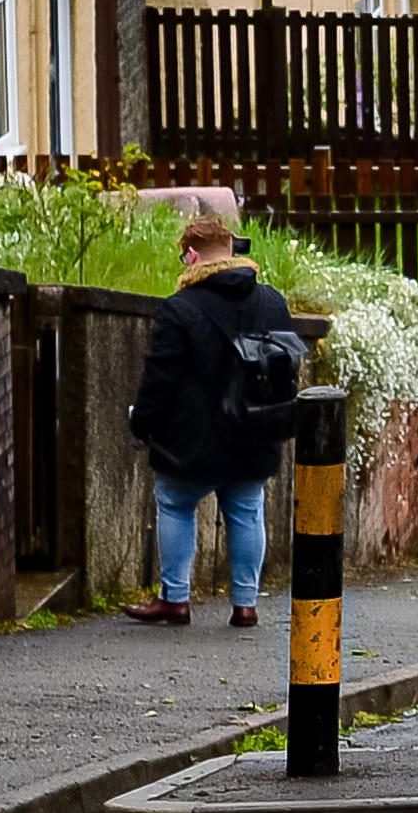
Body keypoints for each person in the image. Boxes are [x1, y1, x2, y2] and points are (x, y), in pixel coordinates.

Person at [124, 210, 294, 628]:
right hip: (254, 430)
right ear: (233, 252)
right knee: (247, 509)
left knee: (175, 504)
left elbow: (159, 376)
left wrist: (141, 422)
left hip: (191, 440)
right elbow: (285, 369)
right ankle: (246, 605)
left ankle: (176, 601)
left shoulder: (180, 308)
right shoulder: (271, 302)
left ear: (193, 256)